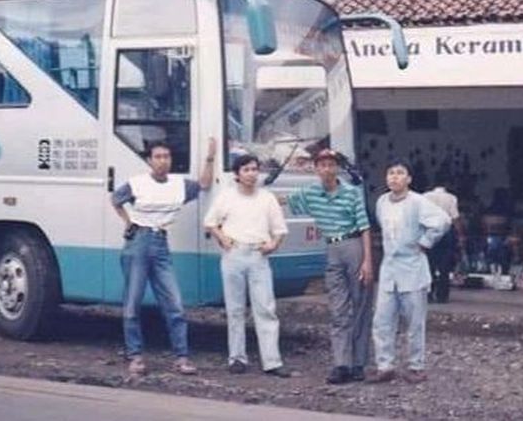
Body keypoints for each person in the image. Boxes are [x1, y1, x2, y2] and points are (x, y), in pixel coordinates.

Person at [111, 138, 217, 376]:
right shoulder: (137, 183)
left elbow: (204, 184)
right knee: (132, 303)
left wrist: (210, 157)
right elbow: (116, 200)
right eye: (158, 157)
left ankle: (181, 357)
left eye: (166, 157)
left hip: (161, 244)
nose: (162, 161)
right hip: (137, 242)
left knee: (175, 304)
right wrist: (128, 221)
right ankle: (135, 356)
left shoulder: (179, 185)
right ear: (149, 161)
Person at [287, 148, 373, 384]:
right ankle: (341, 363)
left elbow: (364, 227)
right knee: (338, 308)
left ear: (337, 168)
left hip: (354, 244)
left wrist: (367, 261)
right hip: (332, 248)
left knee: (361, 305)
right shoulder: (311, 192)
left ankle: (360, 363)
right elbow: (286, 200)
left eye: (331, 165)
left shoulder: (352, 192)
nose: (327, 169)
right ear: (316, 169)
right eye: (322, 165)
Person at [203, 154, 293, 378]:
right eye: (247, 170)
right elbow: (210, 222)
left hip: (258, 256)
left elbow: (279, 229)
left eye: (255, 169)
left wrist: (273, 245)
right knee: (235, 309)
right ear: (237, 174)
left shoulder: (267, 198)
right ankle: (237, 358)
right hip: (234, 255)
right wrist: (222, 238)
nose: (252, 174)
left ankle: (272, 361)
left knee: (265, 308)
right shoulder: (227, 197)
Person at [370, 161, 451, 384]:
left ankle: (416, 366)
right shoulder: (381, 202)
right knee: (382, 320)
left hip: (412, 268)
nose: (395, 177)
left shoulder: (418, 201)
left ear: (408, 179)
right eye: (391, 173)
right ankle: (385, 365)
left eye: (400, 173)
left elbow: (442, 221)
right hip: (389, 268)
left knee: (415, 322)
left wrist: (425, 242)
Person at [423, 183, 462, 303]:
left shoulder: (424, 196)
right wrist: (461, 235)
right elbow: (455, 218)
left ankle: (428, 294)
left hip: (429, 231)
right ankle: (442, 296)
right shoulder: (451, 198)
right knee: (444, 266)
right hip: (445, 233)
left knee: (429, 264)